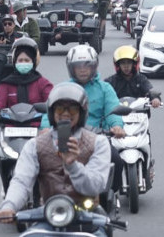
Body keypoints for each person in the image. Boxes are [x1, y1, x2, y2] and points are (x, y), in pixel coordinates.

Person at [0, 82, 111, 237]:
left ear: (82, 111)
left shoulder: (99, 142)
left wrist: (73, 166)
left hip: (87, 216)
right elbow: (22, 180)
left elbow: (96, 186)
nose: (66, 113)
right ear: (51, 111)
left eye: (72, 108)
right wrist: (9, 206)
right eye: (60, 108)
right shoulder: (34, 145)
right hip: (48, 214)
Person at [40, 45, 125, 193]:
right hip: (66, 137)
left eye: (87, 65)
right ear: (71, 68)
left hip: (97, 138)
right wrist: (45, 128)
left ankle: (110, 194)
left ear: (94, 67)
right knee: (42, 161)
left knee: (117, 160)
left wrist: (117, 126)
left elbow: (113, 111)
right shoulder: (63, 88)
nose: (83, 69)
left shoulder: (105, 88)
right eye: (78, 66)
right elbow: (50, 111)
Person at [0, 37, 53, 123]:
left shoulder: (42, 83)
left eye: (27, 60)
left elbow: (52, 101)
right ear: (15, 62)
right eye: (20, 60)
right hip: (10, 126)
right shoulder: (6, 83)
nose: (23, 63)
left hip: (37, 127)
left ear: (33, 62)